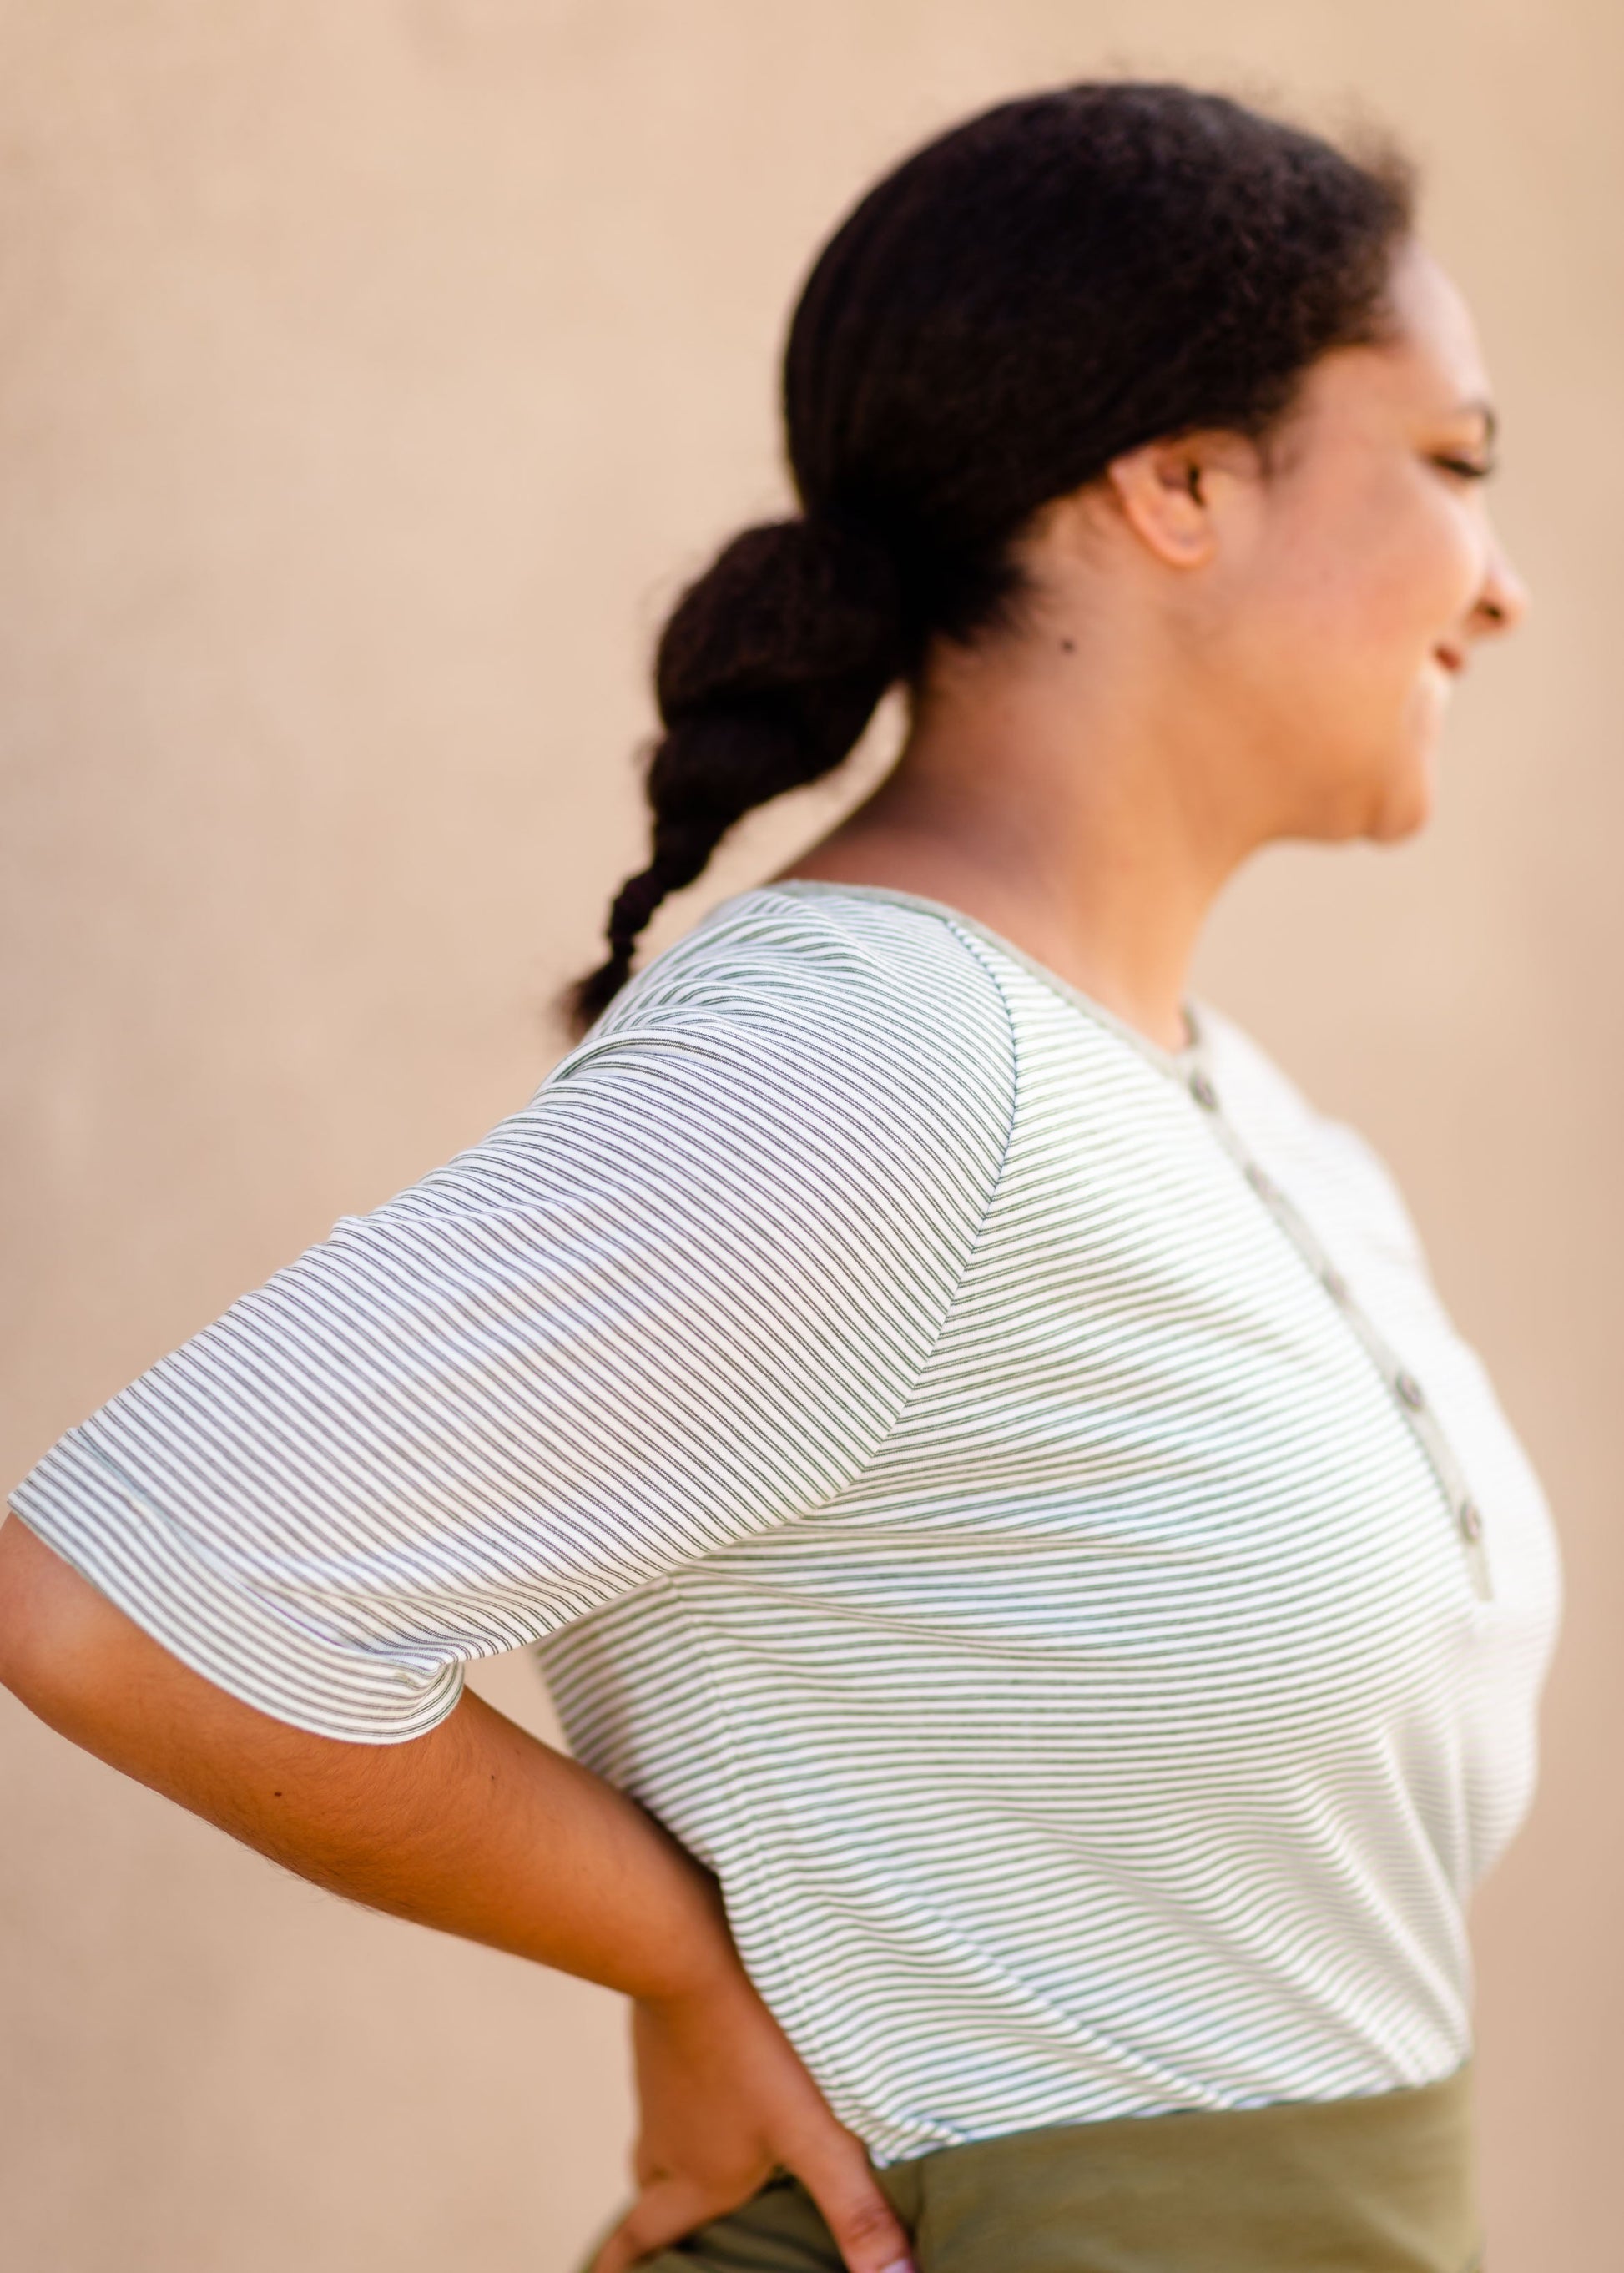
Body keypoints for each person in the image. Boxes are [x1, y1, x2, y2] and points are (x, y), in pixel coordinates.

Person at [0, 81, 1561, 2273]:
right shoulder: (882, 1056)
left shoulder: (1240, 1116)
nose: (1496, 585)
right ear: (1183, 483)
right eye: (1453, 467)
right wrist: (672, 1953)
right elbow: (128, 1595)